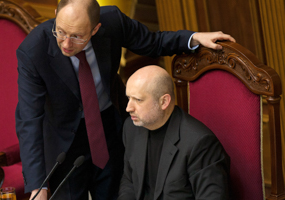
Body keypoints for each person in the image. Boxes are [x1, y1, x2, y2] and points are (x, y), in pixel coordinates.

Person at [15, 0, 235, 199]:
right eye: (60, 32)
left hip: (109, 131)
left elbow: (153, 42)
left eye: (77, 36)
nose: (66, 43)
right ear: (55, 14)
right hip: (64, 144)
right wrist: (38, 186)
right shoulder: (33, 51)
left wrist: (193, 38)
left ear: (95, 28)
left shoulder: (113, 22)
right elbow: (29, 119)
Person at [118, 65, 230, 200]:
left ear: (164, 101)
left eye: (138, 100)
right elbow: (129, 181)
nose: (128, 108)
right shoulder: (131, 128)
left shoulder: (200, 144)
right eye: (128, 98)